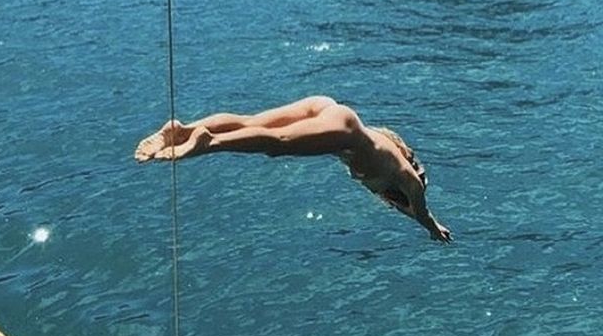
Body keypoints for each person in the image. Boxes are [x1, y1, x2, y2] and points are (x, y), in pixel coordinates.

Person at [135, 95, 452, 242]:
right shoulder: (409, 181)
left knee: (252, 121)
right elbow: (419, 210)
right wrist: (432, 228)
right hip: (345, 131)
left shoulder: (391, 156)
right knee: (278, 143)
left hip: (327, 106)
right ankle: (210, 142)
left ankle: (181, 130)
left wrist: (426, 220)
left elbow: (407, 209)